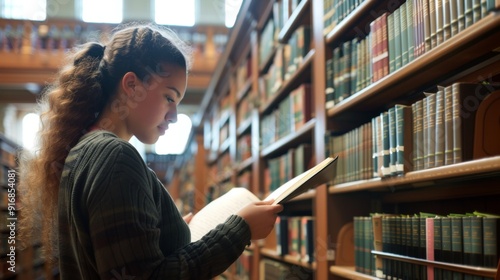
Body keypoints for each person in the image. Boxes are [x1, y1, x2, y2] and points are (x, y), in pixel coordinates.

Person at [18, 23, 283, 279]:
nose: (175, 116)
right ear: (132, 86)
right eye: (169, 97)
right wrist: (240, 230)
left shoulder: (83, 149)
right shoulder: (115, 157)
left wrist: (168, 232)